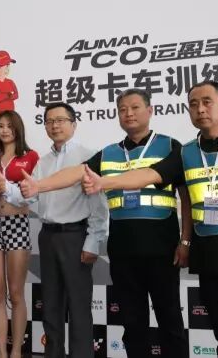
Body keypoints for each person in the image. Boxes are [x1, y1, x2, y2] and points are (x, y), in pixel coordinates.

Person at [31, 81, 218, 358]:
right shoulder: (185, 152)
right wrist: (39, 186)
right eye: (193, 104)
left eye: (207, 102)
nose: (200, 109)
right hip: (198, 259)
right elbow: (145, 175)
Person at [85, 89, 188, 357]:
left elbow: (186, 198)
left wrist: (186, 241)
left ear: (150, 111)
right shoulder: (108, 153)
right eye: (122, 109)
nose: (128, 114)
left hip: (163, 250)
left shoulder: (171, 146)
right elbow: (78, 174)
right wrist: (38, 186)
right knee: (132, 324)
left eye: (134, 107)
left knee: (170, 321)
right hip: (123, 251)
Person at [1, 103, 107, 358]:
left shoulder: (88, 156)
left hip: (76, 237)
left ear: (74, 124)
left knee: (79, 307)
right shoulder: (43, 162)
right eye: (49, 121)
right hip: (48, 236)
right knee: (50, 304)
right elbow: (29, 196)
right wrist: (6, 188)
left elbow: (99, 205)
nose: (54, 125)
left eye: (60, 120)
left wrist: (93, 241)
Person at [0, 110, 38, 358]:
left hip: (17, 223)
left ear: (18, 129)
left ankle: (16, 351)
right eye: (0, 126)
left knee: (16, 293)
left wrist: (9, 187)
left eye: (9, 126)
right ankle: (1, 352)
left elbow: (34, 195)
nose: (4, 130)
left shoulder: (31, 157)